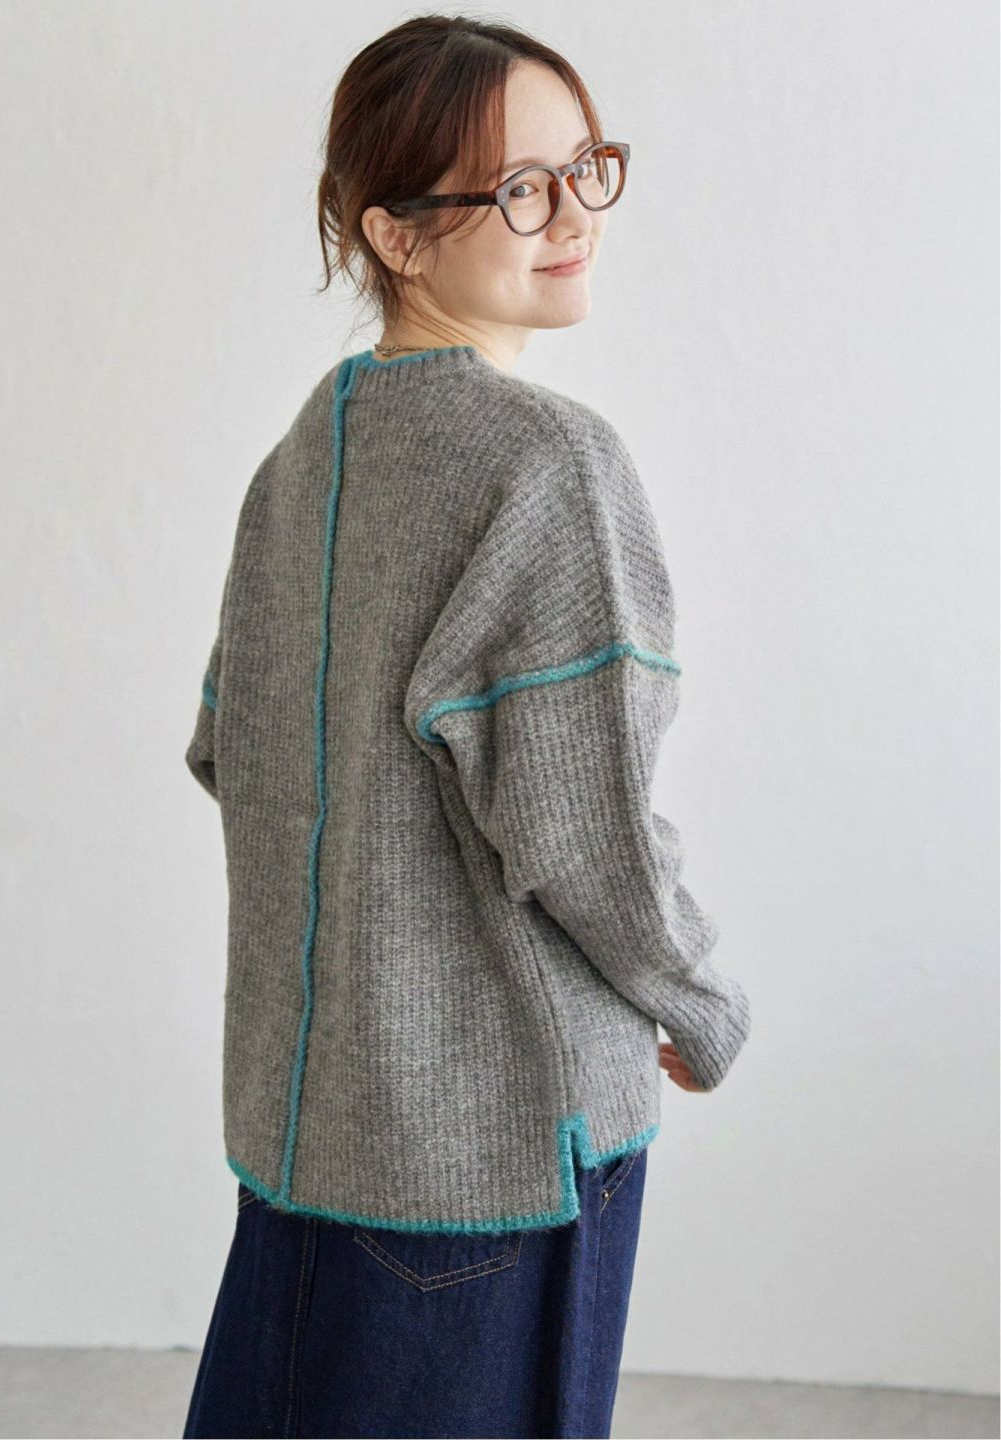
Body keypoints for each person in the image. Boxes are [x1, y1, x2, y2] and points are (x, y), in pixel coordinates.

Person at [181, 14, 751, 1438]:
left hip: (309, 1135)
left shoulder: (297, 464)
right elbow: (586, 828)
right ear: (395, 233)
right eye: (519, 190)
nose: (575, 218)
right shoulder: (547, 464)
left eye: (587, 169)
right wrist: (698, 1000)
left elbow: (227, 749)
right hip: (498, 1150)